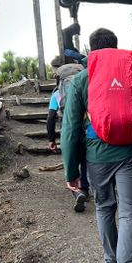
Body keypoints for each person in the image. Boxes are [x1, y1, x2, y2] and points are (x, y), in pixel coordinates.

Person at [60, 28, 132, 263]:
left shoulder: (82, 78)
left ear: (92, 51)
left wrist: (71, 172)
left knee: (105, 207)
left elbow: (70, 128)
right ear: (115, 47)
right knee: (129, 213)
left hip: (98, 155)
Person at [47, 61, 89, 212]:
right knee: (85, 160)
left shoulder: (57, 94)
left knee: (71, 160)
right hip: (86, 131)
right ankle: (85, 187)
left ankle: (76, 191)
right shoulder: (85, 89)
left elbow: (51, 117)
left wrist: (52, 139)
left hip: (68, 133)